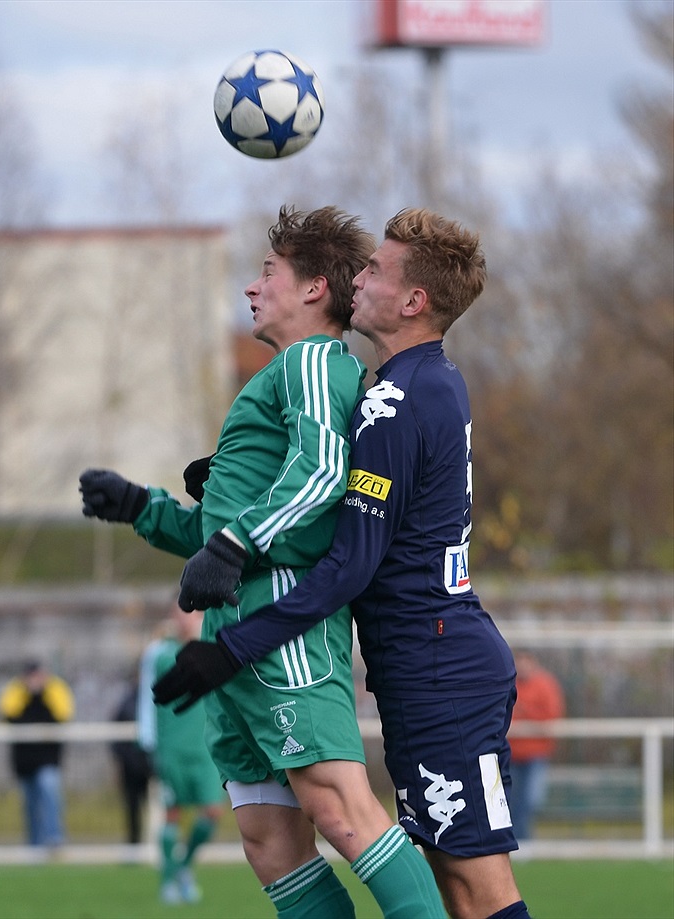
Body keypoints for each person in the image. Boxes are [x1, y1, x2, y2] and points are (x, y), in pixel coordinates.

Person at [154, 208, 534, 919]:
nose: (358, 280)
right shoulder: (401, 388)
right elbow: (334, 473)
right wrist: (237, 472)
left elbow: (349, 565)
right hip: (419, 665)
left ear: (414, 300)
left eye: (376, 271)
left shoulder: (397, 399)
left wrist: (235, 646)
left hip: (442, 666)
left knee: (478, 887)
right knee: (454, 885)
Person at [80, 205, 445, 919]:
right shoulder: (279, 374)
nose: (252, 287)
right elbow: (232, 519)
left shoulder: (313, 360)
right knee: (268, 839)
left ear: (314, 290)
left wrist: (233, 543)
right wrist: (141, 508)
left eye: (268, 272)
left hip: (283, 626)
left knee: (340, 808)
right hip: (229, 632)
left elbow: (319, 471)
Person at [137, 604, 225, 904]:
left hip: (206, 747)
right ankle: (168, 884)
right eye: (180, 612)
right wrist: (148, 743)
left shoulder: (214, 648)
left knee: (212, 812)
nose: (186, 617)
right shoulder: (160, 654)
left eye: (192, 612)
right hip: (172, 748)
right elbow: (147, 700)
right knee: (172, 814)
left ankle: (182, 867)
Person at [0, 660, 75, 848]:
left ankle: (54, 837)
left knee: (49, 791)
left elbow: (62, 715)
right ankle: (33, 843)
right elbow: (8, 715)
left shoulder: (55, 689)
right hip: (24, 760)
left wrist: (41, 693)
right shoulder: (15, 690)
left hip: (48, 758)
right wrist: (28, 693)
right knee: (30, 804)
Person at [508, 651, 565, 840]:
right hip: (511, 755)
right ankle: (516, 843)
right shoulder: (509, 683)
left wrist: (527, 711)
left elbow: (551, 716)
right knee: (510, 802)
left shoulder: (545, 684)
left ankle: (525, 841)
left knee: (531, 800)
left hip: (536, 755)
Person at [109, 667, 153, 846]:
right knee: (132, 806)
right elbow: (116, 735)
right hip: (131, 764)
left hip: (150, 763)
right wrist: (121, 761)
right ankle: (134, 842)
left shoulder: (155, 699)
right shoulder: (126, 702)